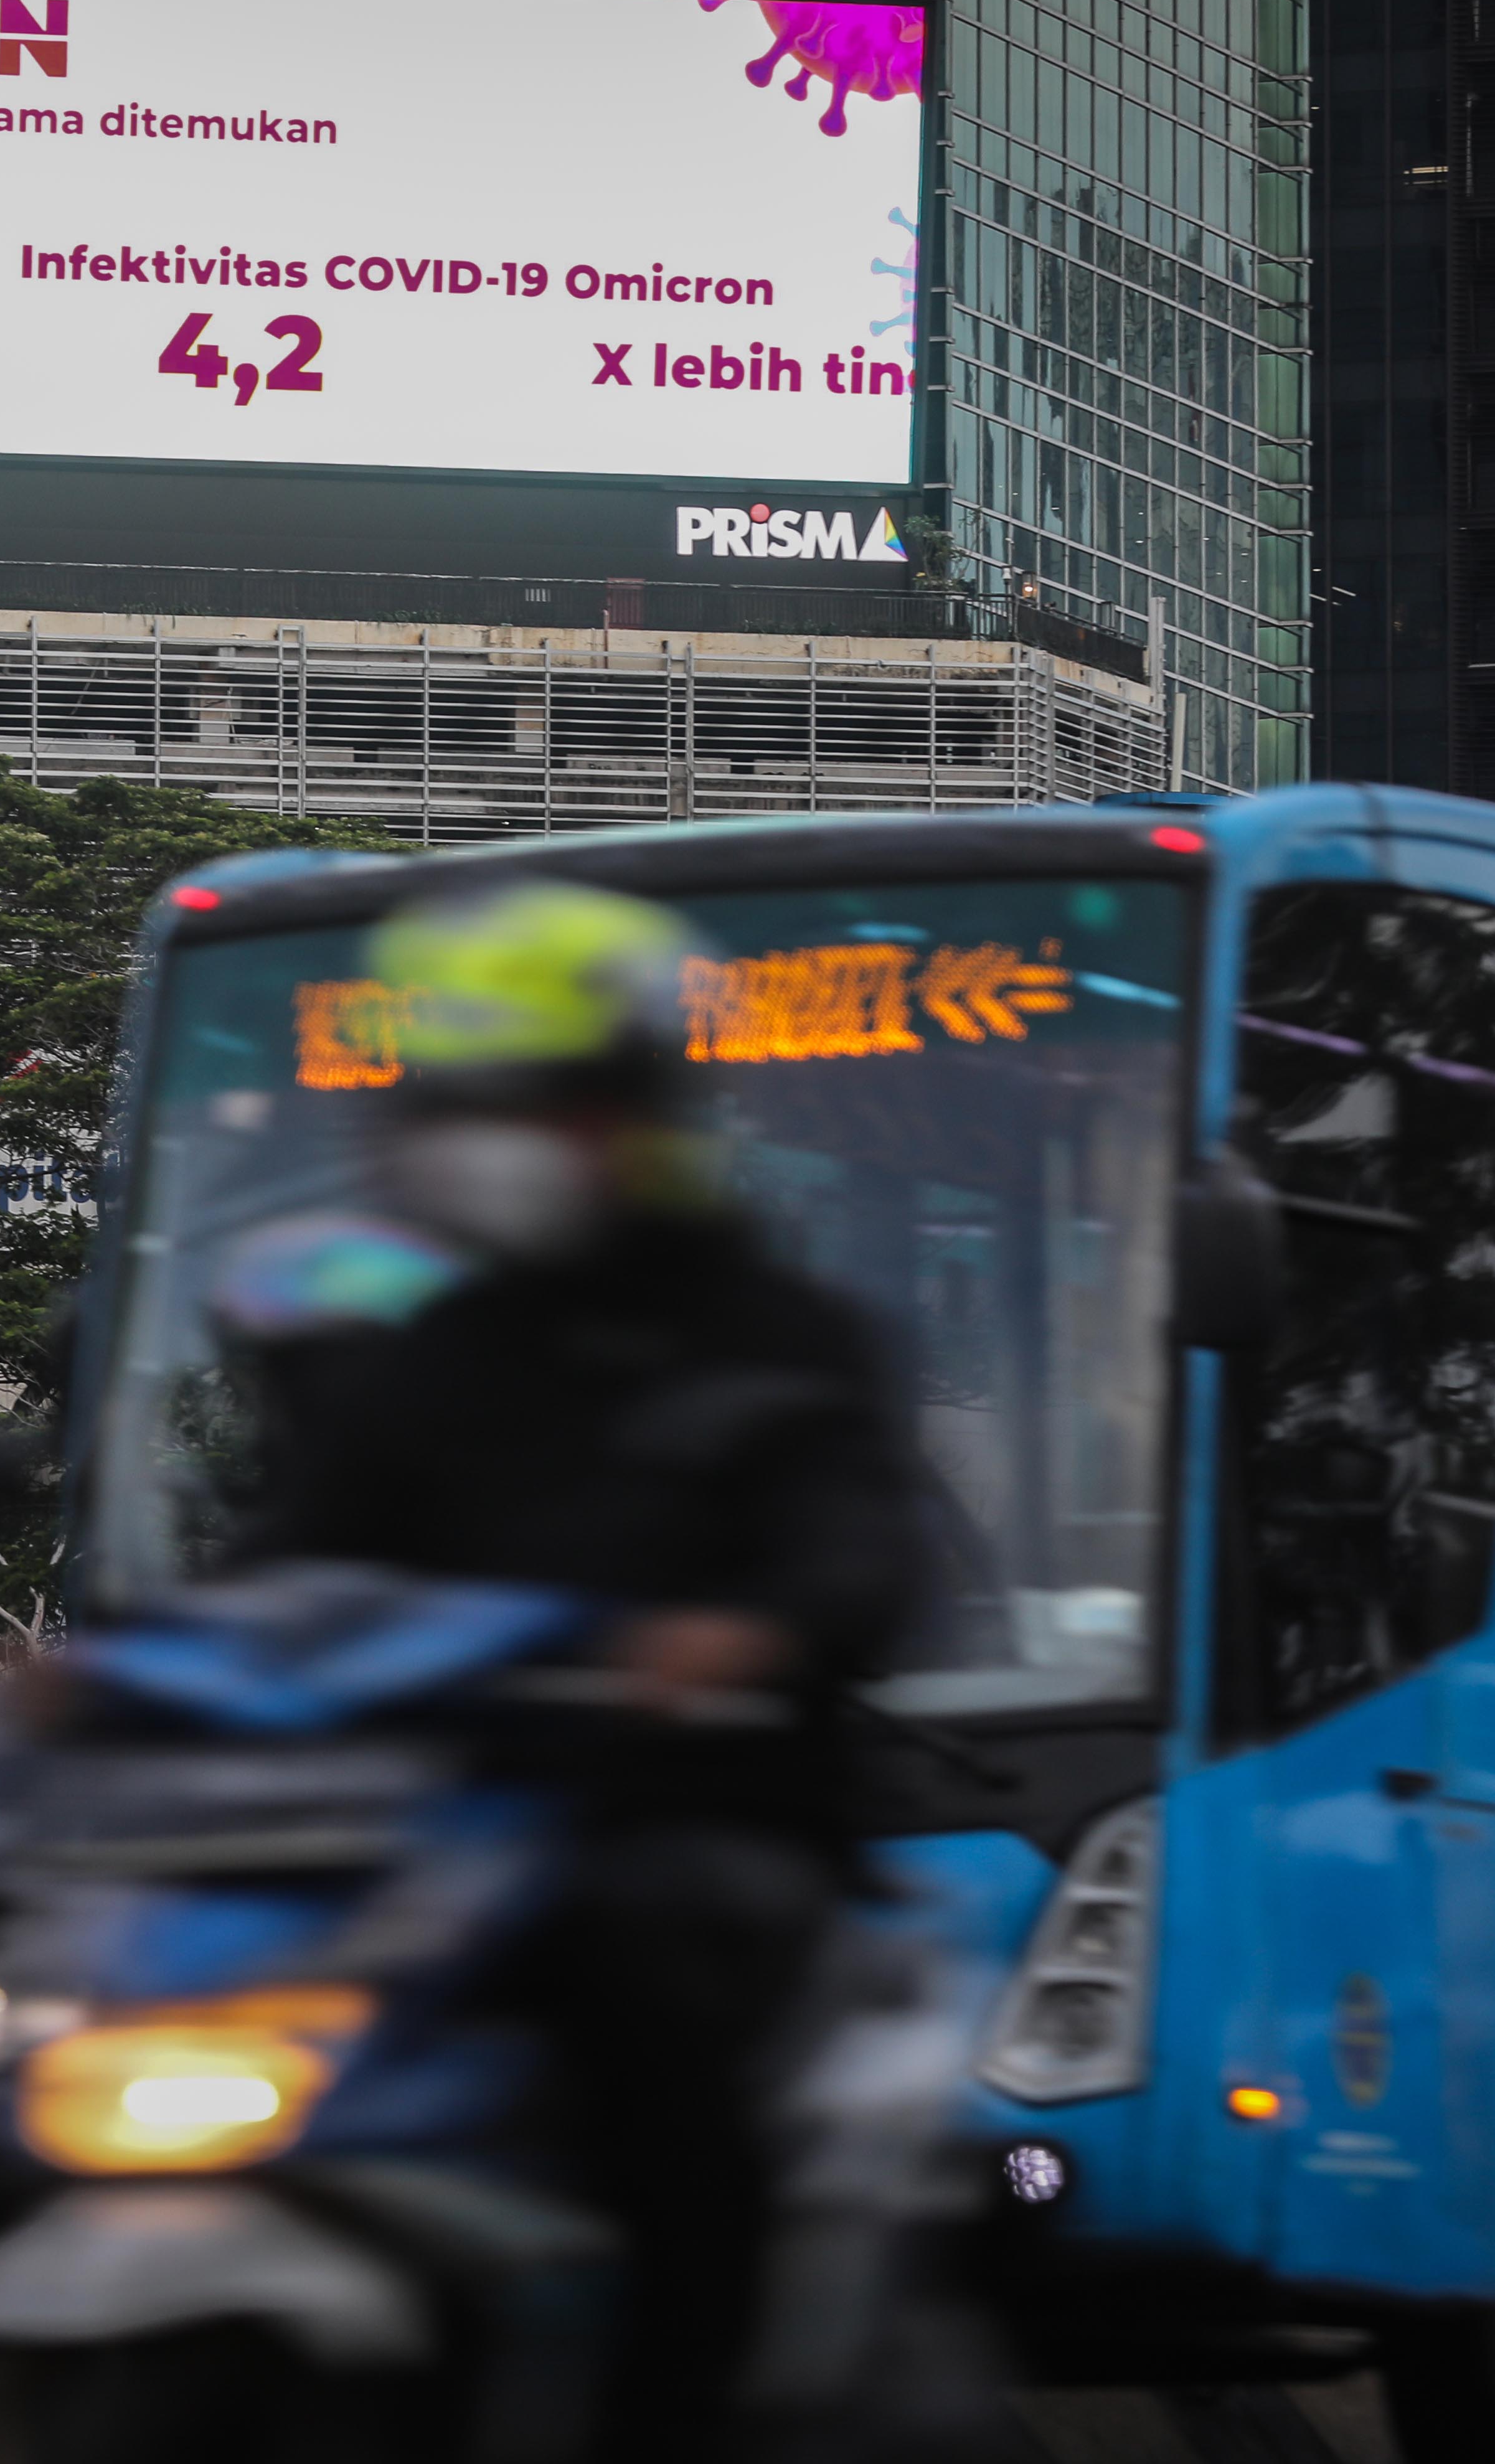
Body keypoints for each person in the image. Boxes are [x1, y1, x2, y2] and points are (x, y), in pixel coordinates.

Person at [208, 879, 935, 2462]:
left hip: (695, 1838)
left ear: (634, 1110)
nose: (480, 1140)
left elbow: (861, 1557)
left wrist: (746, 1633)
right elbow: (292, 1564)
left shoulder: (781, 1333)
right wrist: (100, 1676)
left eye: (526, 1105)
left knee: (644, 2012)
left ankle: (680, 2401)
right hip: (427, 1848)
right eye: (453, 1105)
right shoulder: (435, 1356)